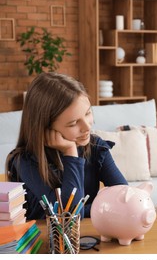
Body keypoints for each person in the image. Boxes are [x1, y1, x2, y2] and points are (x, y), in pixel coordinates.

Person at [6, 72, 128, 220]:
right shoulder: (26, 161)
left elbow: (126, 198)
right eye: (73, 123)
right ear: (45, 128)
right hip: (45, 240)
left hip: (87, 236)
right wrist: (70, 153)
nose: (87, 127)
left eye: (88, 113)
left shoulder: (96, 147)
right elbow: (68, 217)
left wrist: (84, 210)